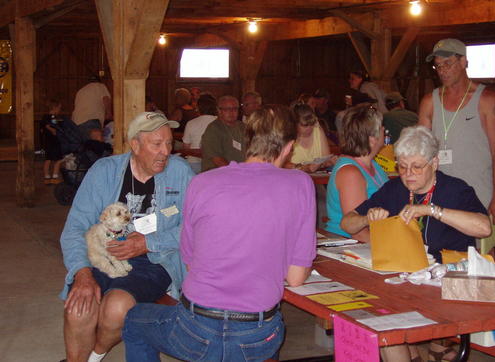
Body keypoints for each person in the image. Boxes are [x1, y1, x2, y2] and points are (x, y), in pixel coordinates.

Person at [122, 105, 316, 362]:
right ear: (289, 147)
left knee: (135, 319)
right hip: (257, 335)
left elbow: (191, 265)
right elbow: (296, 278)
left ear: (247, 141)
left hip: (195, 329)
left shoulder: (202, 182)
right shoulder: (300, 184)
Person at [341, 126, 491, 362]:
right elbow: (347, 223)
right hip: (404, 280)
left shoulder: (456, 189)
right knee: (376, 320)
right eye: (402, 167)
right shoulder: (394, 189)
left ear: (434, 163)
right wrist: (366, 217)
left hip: (444, 285)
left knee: (385, 324)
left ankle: (424, 349)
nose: (408, 174)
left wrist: (432, 211)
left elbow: (484, 228)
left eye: (417, 167)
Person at [59, 112, 194, 362]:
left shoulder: (181, 172)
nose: (165, 151)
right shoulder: (104, 171)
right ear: (135, 145)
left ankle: (94, 356)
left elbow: (194, 227)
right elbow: (75, 227)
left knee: (116, 308)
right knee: (79, 308)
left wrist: (148, 243)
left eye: (169, 143)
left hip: (154, 259)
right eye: (157, 144)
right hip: (103, 254)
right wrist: (82, 273)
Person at [418, 38, 495, 254]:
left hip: (479, 192)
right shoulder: (429, 101)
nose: (442, 71)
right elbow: (421, 150)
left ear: (464, 62)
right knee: (440, 253)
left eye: (447, 64)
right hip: (440, 192)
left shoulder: (487, 100)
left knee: (482, 255)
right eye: (438, 66)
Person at [326, 105, 388, 241]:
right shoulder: (350, 173)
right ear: (372, 138)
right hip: (349, 244)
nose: (384, 130)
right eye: (381, 128)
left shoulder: (374, 165)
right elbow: (358, 233)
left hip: (369, 240)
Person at [200, 95, 246, 172]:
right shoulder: (213, 129)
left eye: (235, 108)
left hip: (240, 171)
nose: (232, 112)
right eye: (227, 109)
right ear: (219, 110)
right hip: (218, 173)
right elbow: (217, 160)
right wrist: (237, 173)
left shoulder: (242, 126)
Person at [285, 103, 333, 173]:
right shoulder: (289, 135)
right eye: (305, 125)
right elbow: (283, 164)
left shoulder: (317, 130)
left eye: (311, 124)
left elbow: (326, 158)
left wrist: (328, 162)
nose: (309, 128)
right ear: (295, 124)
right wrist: (305, 168)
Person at [181, 94, 218, 173]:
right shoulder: (220, 122)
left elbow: (186, 147)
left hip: (194, 164)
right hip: (214, 163)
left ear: (198, 107)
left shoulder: (191, 123)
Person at [41, 98, 64, 184]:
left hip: (48, 142)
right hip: (54, 142)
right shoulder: (51, 118)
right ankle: (54, 176)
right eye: (59, 108)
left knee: (48, 160)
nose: (60, 110)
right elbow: (48, 126)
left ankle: (47, 177)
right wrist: (53, 130)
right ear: (55, 108)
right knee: (58, 159)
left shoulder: (47, 118)